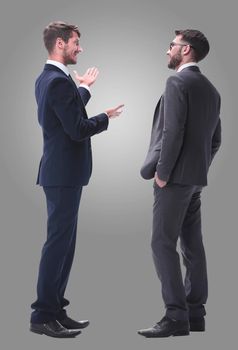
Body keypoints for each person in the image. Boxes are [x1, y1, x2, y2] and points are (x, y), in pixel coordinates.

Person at [30, 21, 124, 338]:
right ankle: (42, 315)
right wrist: (105, 118)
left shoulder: (51, 79)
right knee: (57, 245)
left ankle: (56, 310)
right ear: (60, 43)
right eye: (75, 43)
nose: (79, 49)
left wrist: (83, 89)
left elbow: (65, 115)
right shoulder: (56, 82)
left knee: (65, 245)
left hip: (63, 173)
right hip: (62, 174)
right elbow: (76, 129)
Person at [138, 29, 221, 338]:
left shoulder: (177, 82)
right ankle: (195, 315)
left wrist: (163, 172)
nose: (167, 50)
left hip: (172, 180)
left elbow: (173, 132)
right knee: (192, 245)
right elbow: (216, 139)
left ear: (185, 50)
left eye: (171, 45)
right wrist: (198, 168)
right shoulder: (212, 90)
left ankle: (175, 317)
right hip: (195, 180)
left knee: (161, 243)